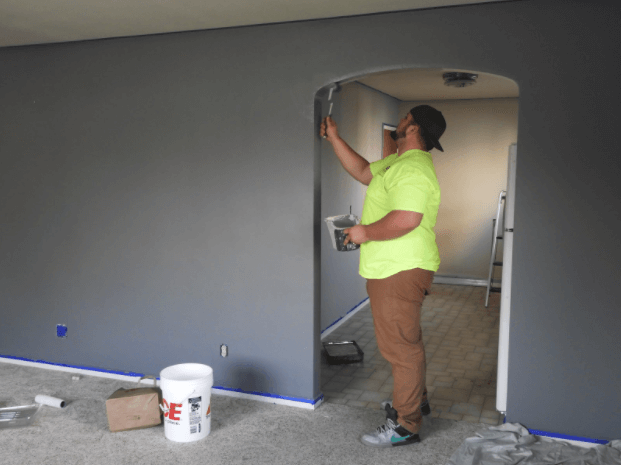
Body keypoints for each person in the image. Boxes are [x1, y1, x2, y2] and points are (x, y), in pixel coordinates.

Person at [320, 104, 446, 448]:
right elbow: (362, 171)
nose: (400, 120)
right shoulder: (398, 162)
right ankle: (415, 401)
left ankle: (405, 425)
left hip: (399, 269)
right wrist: (334, 137)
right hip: (392, 268)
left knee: (400, 350)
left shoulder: (415, 169)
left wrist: (364, 233)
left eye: (405, 117)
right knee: (407, 341)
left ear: (413, 128)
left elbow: (408, 218)